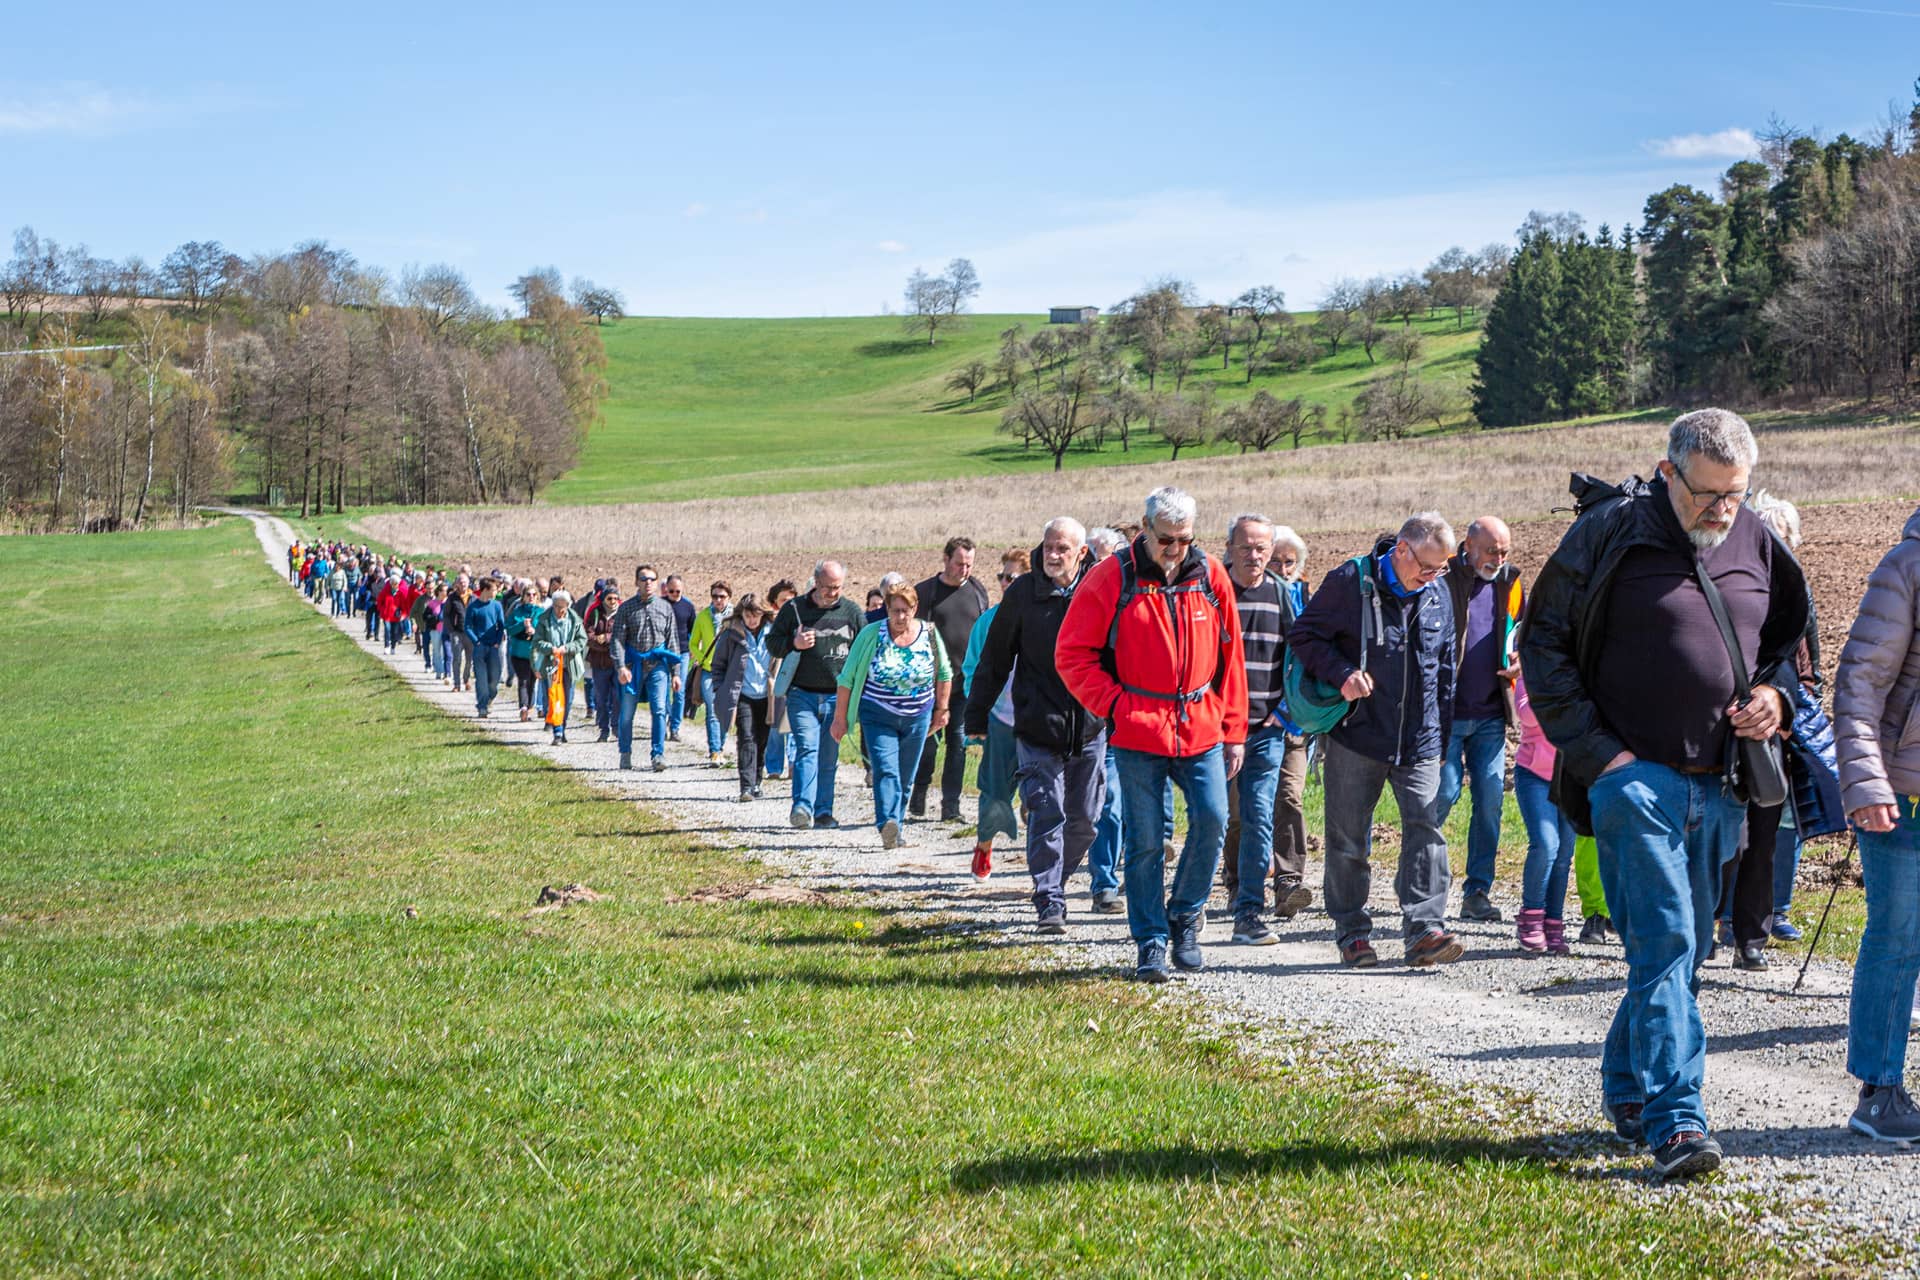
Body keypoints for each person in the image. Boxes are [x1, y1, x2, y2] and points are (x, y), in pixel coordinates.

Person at [1522, 408, 1808, 1180]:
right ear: (1669, 470)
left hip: (1720, 784)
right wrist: (1602, 758)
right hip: (1633, 785)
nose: (1722, 511)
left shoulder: (1757, 538)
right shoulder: (1610, 531)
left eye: (1735, 494)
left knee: (1676, 952)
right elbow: (1540, 642)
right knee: (1669, 944)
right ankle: (1677, 1121)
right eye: (1709, 494)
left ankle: (1625, 1087)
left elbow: (1786, 649)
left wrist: (1775, 700)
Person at [1058, 486, 1248, 982]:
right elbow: (1072, 655)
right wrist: (1116, 705)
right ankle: (1151, 941)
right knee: (1144, 841)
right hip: (1138, 730)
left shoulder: (1210, 576)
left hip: (1201, 724)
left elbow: (1232, 659)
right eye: (1167, 539)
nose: (1176, 549)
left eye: (1185, 539)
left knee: (1212, 818)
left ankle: (1184, 915)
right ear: (1144, 531)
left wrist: (1234, 729)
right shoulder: (1110, 578)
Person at [1291, 512, 1463, 970]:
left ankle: (1424, 929)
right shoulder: (1350, 581)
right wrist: (1342, 674)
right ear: (1401, 550)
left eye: (1440, 569)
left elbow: (1446, 666)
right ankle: (1352, 931)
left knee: (1426, 829)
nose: (1432, 577)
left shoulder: (1438, 592)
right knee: (1349, 839)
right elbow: (1304, 636)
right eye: (1426, 567)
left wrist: (1442, 736)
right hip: (1357, 736)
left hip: (1420, 739)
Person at [967, 519, 1106, 930]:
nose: (1052, 554)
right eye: (1048, 546)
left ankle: (1054, 882)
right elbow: (995, 657)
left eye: (1062, 548)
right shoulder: (1024, 594)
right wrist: (975, 714)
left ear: (1081, 553)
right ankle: (1049, 897)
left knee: (1084, 820)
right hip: (1036, 724)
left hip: (1091, 728)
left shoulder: (1099, 592)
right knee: (1046, 811)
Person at [1833, 502, 1920, 1144]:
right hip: (1905, 796)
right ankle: (1878, 1091)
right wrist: (1865, 783)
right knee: (1898, 936)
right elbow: (1859, 682)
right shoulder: (1907, 567)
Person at [1217, 514, 1312, 947]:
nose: (1253, 556)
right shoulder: (1213, 591)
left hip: (1265, 731)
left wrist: (1286, 711)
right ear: (1230, 546)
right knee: (1214, 818)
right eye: (1245, 547)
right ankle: (1191, 905)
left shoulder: (1282, 594)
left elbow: (1300, 658)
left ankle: (1249, 913)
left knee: (1258, 817)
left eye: (1261, 548)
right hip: (1213, 732)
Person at [1439, 516, 1525, 923]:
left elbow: (1521, 634)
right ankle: (1423, 885)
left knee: (1490, 801)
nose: (1499, 559)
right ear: (1467, 546)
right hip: (1447, 715)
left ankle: (1477, 891)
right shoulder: (1444, 579)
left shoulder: (1511, 583)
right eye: (1492, 551)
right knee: (1443, 795)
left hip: (1491, 714)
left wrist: (1519, 660)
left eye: (1505, 551)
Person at [834, 583, 953, 848]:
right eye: (895, 610)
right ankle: (887, 821)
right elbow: (847, 678)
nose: (900, 617)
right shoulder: (871, 635)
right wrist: (840, 718)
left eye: (906, 610)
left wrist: (941, 709)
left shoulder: (929, 634)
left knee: (906, 774)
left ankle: (895, 828)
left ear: (915, 609)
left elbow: (944, 673)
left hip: (918, 716)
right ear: (886, 609)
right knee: (886, 770)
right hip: (878, 713)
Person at [768, 562, 865, 829]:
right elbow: (772, 643)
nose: (833, 592)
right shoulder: (794, 609)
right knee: (807, 749)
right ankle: (802, 807)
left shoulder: (852, 612)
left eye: (837, 587)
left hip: (837, 697)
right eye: (827, 587)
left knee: (828, 756)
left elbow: (866, 649)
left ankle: (824, 811)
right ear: (815, 583)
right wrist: (793, 644)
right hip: (802, 695)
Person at [960, 549, 1030, 884]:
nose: (1003, 582)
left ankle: (1045, 863)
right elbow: (972, 669)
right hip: (1001, 720)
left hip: (1039, 720)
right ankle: (984, 846)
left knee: (1043, 791)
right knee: (996, 793)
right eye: (1002, 576)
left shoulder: (1042, 614)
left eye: (1011, 577)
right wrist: (980, 714)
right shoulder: (988, 621)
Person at [912, 538, 990, 823]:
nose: (964, 569)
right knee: (928, 743)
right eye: (959, 563)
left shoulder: (978, 591)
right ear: (945, 560)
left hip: (964, 685)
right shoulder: (925, 593)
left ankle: (951, 806)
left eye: (969, 564)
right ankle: (919, 793)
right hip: (928, 685)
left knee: (957, 743)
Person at [1512, 671, 1574, 954]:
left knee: (1563, 855)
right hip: (1533, 774)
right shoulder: (1530, 672)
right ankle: (1531, 916)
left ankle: (1553, 921)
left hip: (1570, 775)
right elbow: (1526, 716)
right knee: (1546, 844)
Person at [609, 565, 684, 772]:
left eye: (651, 579)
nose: (647, 583)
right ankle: (625, 752)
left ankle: (657, 754)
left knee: (660, 710)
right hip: (633, 666)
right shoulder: (626, 608)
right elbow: (617, 640)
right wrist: (621, 667)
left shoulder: (665, 608)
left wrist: (676, 673)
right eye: (643, 579)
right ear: (636, 582)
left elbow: (673, 642)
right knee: (627, 713)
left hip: (657, 666)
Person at [710, 594, 774, 802]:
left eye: (756, 615)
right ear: (742, 615)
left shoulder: (773, 633)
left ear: (763, 614)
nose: (752, 620)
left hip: (768, 695)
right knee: (746, 737)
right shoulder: (731, 634)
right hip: (742, 694)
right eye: (748, 615)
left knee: (762, 739)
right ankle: (746, 786)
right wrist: (721, 690)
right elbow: (718, 665)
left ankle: (757, 780)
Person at [688, 581, 734, 767]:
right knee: (712, 710)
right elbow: (693, 643)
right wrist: (702, 658)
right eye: (714, 596)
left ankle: (720, 746)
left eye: (722, 596)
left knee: (726, 711)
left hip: (730, 672)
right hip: (708, 671)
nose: (718, 600)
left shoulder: (736, 618)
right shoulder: (703, 616)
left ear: (729, 597)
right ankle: (715, 751)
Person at [533, 589, 586, 745]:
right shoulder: (544, 619)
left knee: (567, 698)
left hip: (569, 664)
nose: (559, 610)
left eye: (562, 607)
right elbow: (537, 641)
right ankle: (557, 731)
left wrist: (567, 648)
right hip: (551, 664)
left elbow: (581, 640)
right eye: (556, 606)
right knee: (555, 696)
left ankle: (562, 726)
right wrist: (551, 648)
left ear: (568, 606)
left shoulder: (575, 621)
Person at [763, 579, 799, 780]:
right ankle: (774, 767)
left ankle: (794, 764)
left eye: (791, 600)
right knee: (776, 725)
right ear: (774, 603)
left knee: (793, 724)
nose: (788, 604)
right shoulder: (769, 625)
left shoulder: (800, 623)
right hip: (774, 680)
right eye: (783, 600)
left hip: (796, 679)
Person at [661, 574, 698, 743]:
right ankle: (665, 720)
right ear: (665, 589)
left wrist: (693, 649)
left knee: (679, 691)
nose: (674, 594)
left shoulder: (688, 607)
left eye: (678, 591)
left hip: (682, 653)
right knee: (664, 690)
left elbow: (693, 630)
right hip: (663, 652)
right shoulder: (660, 605)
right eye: (671, 591)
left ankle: (675, 727)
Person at [464, 577, 507, 718]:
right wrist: (476, 641)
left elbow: (501, 625)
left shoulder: (496, 606)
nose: (496, 592)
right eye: (494, 590)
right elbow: (468, 627)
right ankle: (482, 706)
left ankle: (490, 698)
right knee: (481, 678)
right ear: (485, 590)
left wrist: (497, 641)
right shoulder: (473, 607)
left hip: (494, 647)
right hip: (479, 648)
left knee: (494, 680)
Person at [585, 587, 623, 742]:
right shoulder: (595, 614)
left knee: (617, 697)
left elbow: (622, 635)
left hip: (618, 662)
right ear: (604, 599)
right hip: (599, 663)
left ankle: (616, 726)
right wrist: (603, 641)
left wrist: (606, 638)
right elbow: (588, 635)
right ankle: (603, 729)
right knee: (601, 698)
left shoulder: (622, 614)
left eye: (615, 598)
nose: (613, 602)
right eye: (609, 599)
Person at [508, 582, 546, 722]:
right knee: (523, 680)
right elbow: (509, 629)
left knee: (532, 681)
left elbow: (545, 632)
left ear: (538, 596)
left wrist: (534, 631)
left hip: (536, 654)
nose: (531, 597)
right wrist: (522, 625)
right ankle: (523, 707)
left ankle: (529, 707)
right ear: (523, 597)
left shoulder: (542, 613)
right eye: (528, 594)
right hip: (519, 653)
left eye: (534, 594)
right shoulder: (517, 611)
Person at [442, 576, 470, 694]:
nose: (463, 584)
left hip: (470, 633)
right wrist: (451, 630)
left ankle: (466, 678)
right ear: (457, 584)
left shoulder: (473, 597)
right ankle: (457, 684)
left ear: (468, 583)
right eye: (460, 582)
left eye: (465, 582)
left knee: (470, 659)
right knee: (456, 659)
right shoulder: (452, 598)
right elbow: (446, 614)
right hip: (457, 633)